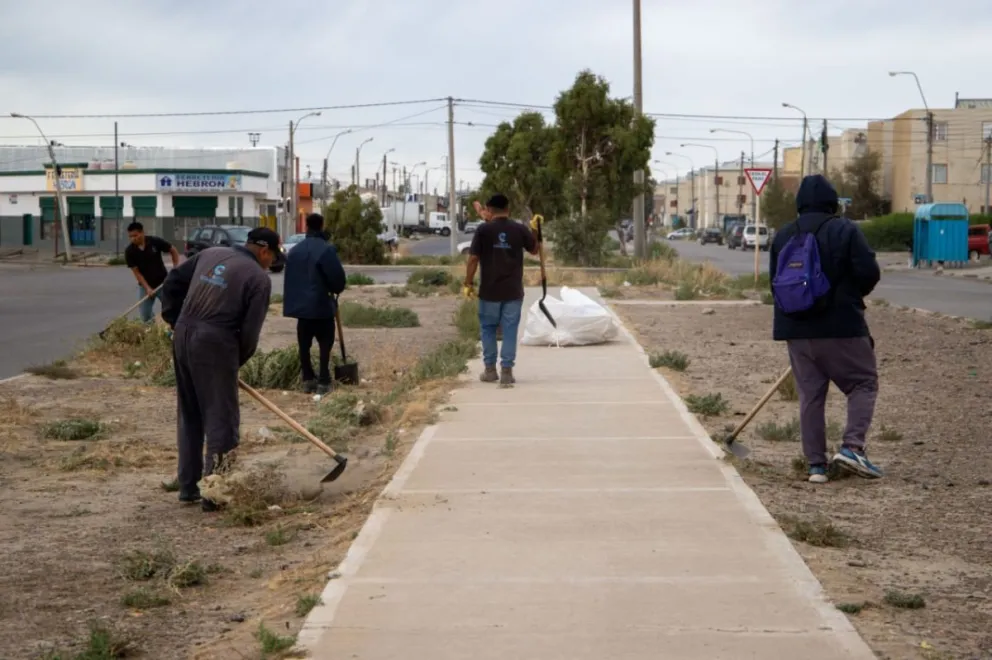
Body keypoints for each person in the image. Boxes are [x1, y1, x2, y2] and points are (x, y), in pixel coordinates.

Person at [769, 174, 882, 484]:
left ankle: (816, 466)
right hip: (842, 326)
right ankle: (852, 447)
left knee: (810, 395)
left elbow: (774, 286)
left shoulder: (783, 236)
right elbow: (870, 273)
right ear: (833, 202)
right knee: (863, 383)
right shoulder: (845, 230)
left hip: (796, 330)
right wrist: (850, 296)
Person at [160, 227, 278, 510]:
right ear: (264, 251)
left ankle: (188, 487)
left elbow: (173, 280)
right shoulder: (258, 279)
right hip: (215, 341)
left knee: (190, 414)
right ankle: (214, 494)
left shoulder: (210, 254)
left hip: (184, 335)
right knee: (221, 420)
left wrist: (174, 320)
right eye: (273, 257)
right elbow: (249, 335)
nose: (272, 263)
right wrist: (231, 365)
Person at [463, 194, 538, 387]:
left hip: (489, 291)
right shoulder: (519, 229)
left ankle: (490, 371)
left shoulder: (483, 230)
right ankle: (506, 372)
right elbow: (535, 249)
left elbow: (473, 259)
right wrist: (536, 231)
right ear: (508, 209)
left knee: (488, 329)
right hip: (513, 291)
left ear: (489, 210)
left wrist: (468, 283)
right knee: (510, 330)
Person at [282, 213, 347, 394]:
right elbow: (337, 280)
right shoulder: (326, 250)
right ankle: (324, 381)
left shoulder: (295, 251)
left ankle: (308, 379)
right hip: (321, 307)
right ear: (322, 225)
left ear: (306, 226)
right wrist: (336, 289)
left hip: (302, 310)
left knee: (304, 345)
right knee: (325, 344)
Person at [124, 221, 180, 323]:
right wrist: (147, 288)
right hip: (145, 287)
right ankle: (153, 332)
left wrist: (175, 267)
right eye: (130, 236)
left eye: (135, 235)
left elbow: (173, 250)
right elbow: (137, 273)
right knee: (145, 317)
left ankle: (176, 330)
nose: (133, 239)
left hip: (163, 283)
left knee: (173, 309)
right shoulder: (129, 251)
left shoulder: (155, 241)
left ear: (142, 232)